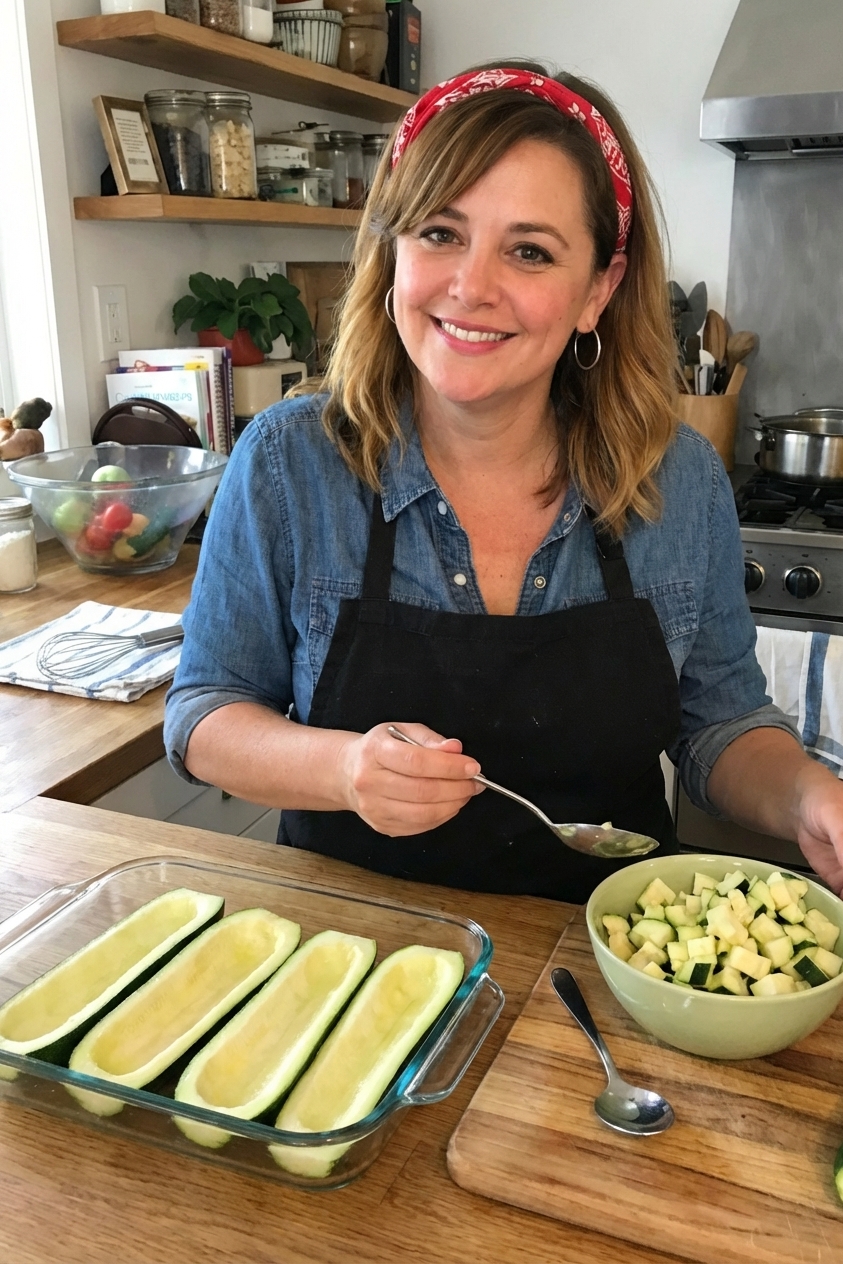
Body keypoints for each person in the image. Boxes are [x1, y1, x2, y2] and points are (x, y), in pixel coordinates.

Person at [165, 62, 843, 902]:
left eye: (529, 250)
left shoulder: (680, 479)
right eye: (440, 234)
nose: (471, 287)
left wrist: (812, 798)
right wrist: (343, 768)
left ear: (597, 289)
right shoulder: (287, 462)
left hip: (605, 960)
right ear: (393, 250)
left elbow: (722, 726)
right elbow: (204, 713)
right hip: (348, 958)